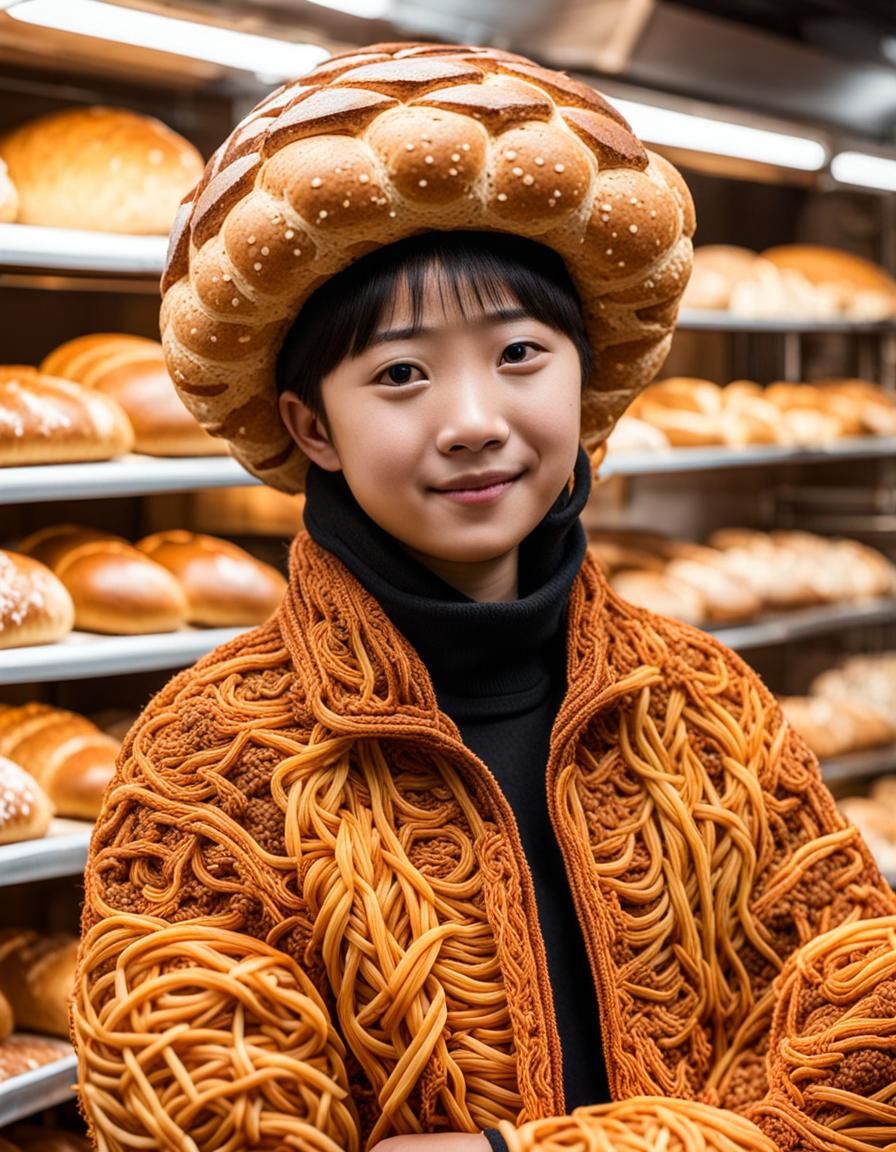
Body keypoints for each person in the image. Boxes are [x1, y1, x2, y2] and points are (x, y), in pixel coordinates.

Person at [73, 42, 896, 1152]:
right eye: (400, 373)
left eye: (518, 353)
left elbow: (868, 1042)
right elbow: (206, 1124)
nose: (471, 419)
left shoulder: (708, 711)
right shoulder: (205, 765)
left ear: (584, 375)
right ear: (311, 425)